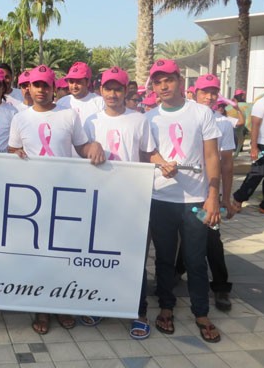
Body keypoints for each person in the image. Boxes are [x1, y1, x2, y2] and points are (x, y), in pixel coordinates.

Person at [8, 65, 105, 335]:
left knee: (63, 252)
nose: (40, 90)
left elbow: (81, 146)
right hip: (34, 196)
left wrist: (94, 147)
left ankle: (62, 303)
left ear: (54, 88)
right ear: (29, 88)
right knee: (39, 253)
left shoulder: (68, 115)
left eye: (45, 85)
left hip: (64, 194)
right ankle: (41, 308)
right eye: (35, 85)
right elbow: (13, 149)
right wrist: (15, 153)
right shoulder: (20, 119)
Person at [83, 67, 173, 339]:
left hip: (132, 199)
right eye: (108, 89)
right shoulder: (90, 121)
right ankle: (100, 302)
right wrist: (89, 148)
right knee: (100, 256)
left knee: (133, 259)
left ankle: (138, 311)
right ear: (101, 90)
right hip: (100, 198)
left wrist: (164, 164)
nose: (112, 94)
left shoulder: (139, 120)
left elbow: (149, 153)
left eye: (118, 89)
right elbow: (79, 150)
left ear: (126, 91)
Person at [145, 59, 222, 343]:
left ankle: (201, 312)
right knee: (164, 258)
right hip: (160, 198)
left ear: (180, 80)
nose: (163, 86)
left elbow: (212, 156)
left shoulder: (201, 112)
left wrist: (213, 196)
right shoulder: (149, 117)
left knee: (195, 258)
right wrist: (162, 162)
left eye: (168, 80)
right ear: (152, 86)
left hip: (195, 200)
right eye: (157, 81)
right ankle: (166, 306)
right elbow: (148, 153)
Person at [183, 74, 236, 311]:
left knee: (212, 241)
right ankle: (175, 273)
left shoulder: (223, 123)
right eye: (205, 91)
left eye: (214, 92)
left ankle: (221, 288)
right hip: (184, 191)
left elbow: (226, 162)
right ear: (194, 93)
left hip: (208, 194)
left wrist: (225, 196)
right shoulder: (184, 116)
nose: (209, 96)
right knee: (182, 238)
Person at [233, 79, 264, 215]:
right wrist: (254, 147)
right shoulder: (262, 103)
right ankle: (238, 199)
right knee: (257, 174)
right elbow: (255, 125)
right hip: (263, 145)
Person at [56, 62, 105, 127]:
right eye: (71, 82)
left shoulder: (100, 103)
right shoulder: (61, 103)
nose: (74, 86)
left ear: (87, 82)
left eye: (78, 82)